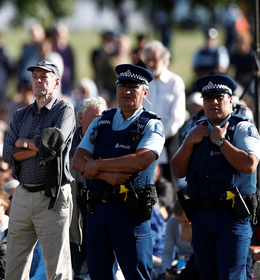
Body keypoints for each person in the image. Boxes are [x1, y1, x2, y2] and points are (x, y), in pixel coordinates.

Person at [72, 64, 165, 279]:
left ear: (145, 92)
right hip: (97, 211)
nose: (126, 91)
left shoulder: (151, 124)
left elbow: (141, 161)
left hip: (130, 213)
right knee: (99, 274)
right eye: (122, 85)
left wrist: (98, 165)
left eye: (133, 87)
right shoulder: (100, 121)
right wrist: (106, 175)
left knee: (136, 274)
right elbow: (78, 160)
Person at [171, 74, 260, 279]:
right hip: (201, 217)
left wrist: (221, 143)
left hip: (231, 218)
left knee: (231, 276)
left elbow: (249, 165)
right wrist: (188, 143)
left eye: (219, 97)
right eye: (208, 99)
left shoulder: (243, 128)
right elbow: (178, 170)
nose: (214, 102)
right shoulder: (195, 130)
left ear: (230, 100)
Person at [3, 60, 75, 280]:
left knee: (57, 269)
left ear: (56, 82)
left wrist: (23, 143)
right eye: (35, 76)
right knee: (14, 268)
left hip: (51, 195)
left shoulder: (65, 109)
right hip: (23, 194)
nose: (38, 80)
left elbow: (55, 143)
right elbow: (7, 154)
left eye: (44, 76)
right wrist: (40, 146)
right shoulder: (20, 114)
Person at [69, 97, 107, 279]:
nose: (99, 121)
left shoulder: (108, 142)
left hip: (101, 213)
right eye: (94, 117)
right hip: (73, 218)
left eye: (102, 116)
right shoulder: (67, 144)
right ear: (80, 118)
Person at [143, 40, 186, 191]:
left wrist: (159, 136)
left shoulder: (175, 82)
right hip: (145, 140)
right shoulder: (144, 82)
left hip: (168, 141)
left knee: (170, 184)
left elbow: (177, 117)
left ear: (164, 61)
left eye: (154, 60)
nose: (151, 64)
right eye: (148, 60)